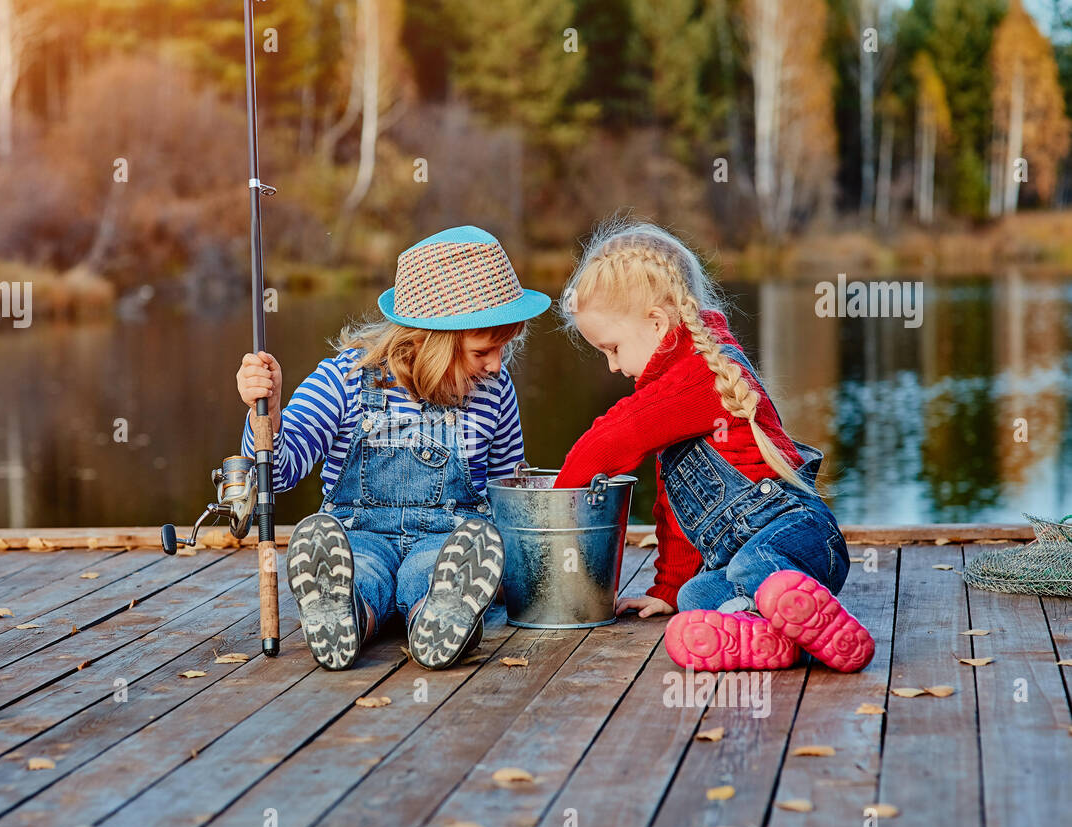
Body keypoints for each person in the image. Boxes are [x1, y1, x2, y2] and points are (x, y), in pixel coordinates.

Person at [552, 218, 874, 672]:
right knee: (696, 596)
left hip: (799, 535)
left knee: (752, 567)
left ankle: (791, 615)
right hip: (748, 558)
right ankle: (778, 639)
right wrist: (666, 589)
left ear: (658, 323)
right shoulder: (672, 386)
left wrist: (556, 507)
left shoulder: (702, 375)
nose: (612, 366)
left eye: (614, 348)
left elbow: (609, 440)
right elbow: (677, 514)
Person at [236, 225, 550, 670]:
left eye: (504, 348)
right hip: (359, 534)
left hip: (446, 539)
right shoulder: (346, 378)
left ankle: (439, 618)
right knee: (359, 574)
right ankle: (344, 615)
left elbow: (508, 490)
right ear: (433, 343)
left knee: (436, 573)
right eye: (483, 351)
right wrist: (265, 413)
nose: (497, 364)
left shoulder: (495, 390)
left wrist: (516, 571)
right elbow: (280, 473)